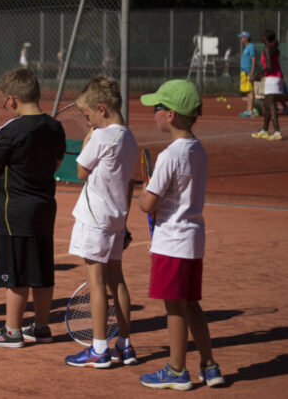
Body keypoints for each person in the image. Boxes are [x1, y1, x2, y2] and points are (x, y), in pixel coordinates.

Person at [138, 80, 225, 390]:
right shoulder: (197, 148)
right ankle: (209, 365)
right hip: (191, 239)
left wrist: (143, 197)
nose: (154, 113)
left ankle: (176, 370)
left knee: (174, 307)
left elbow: (148, 203)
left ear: (171, 115)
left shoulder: (169, 154)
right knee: (191, 305)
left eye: (157, 108)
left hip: (172, 241)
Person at [0, 68, 66, 348]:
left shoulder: (8, 130)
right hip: (43, 209)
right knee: (41, 270)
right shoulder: (55, 127)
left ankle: (12, 330)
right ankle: (41, 327)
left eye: (6, 100)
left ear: (13, 99)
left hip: (13, 213)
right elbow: (55, 165)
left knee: (15, 273)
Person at [64, 75, 138, 368]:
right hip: (116, 218)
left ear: (101, 108)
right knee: (116, 279)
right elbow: (130, 183)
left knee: (96, 283)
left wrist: (87, 138)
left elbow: (81, 171)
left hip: (95, 219)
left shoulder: (100, 136)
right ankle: (125, 344)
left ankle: (99, 349)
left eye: (88, 115)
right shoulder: (129, 137)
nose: (88, 121)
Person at [251, 30, 284, 141]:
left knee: (270, 104)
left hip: (272, 79)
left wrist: (258, 74)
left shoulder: (267, 48)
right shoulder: (273, 48)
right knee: (267, 104)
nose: (261, 36)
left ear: (265, 37)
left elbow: (269, 66)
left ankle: (277, 131)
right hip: (275, 77)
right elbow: (271, 66)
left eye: (262, 35)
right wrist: (261, 75)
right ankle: (264, 130)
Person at [238, 31, 256, 118]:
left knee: (250, 91)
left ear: (246, 38)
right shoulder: (246, 48)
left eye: (242, 37)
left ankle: (250, 111)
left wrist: (251, 73)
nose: (241, 38)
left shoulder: (251, 46)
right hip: (244, 72)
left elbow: (253, 60)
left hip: (248, 72)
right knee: (247, 92)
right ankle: (248, 110)